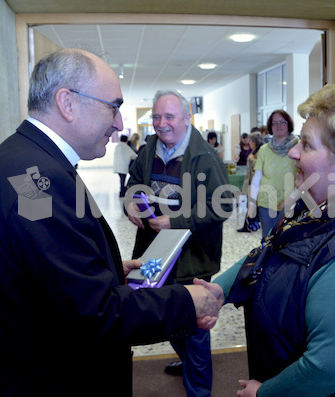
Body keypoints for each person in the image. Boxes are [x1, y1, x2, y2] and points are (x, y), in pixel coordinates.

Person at [0, 49, 224, 397]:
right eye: (113, 106)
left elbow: (46, 268)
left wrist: (107, 269)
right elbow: (96, 315)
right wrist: (187, 302)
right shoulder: (41, 177)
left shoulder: (25, 163)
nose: (120, 123)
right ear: (67, 103)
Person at [215, 84, 335, 396]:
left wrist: (265, 393)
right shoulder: (313, 206)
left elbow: (327, 367)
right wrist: (219, 290)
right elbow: (269, 251)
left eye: (306, 145)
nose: (293, 151)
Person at [125, 90, 232, 397]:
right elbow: (133, 183)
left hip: (190, 258)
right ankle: (187, 360)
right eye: (156, 117)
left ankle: (199, 390)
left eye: (169, 116)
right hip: (154, 254)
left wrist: (175, 222)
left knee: (195, 323)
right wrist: (131, 204)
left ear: (187, 118)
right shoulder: (148, 151)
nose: (161, 124)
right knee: (165, 315)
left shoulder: (206, 158)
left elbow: (220, 207)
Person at [247, 110, 298, 238]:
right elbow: (257, 178)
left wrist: (291, 199)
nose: (278, 126)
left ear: (289, 124)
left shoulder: (298, 147)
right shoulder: (264, 150)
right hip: (266, 202)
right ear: (270, 127)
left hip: (292, 203)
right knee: (268, 240)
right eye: (274, 123)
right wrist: (251, 205)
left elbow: (304, 177)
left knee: (289, 240)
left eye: (282, 122)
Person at [237, 131, 263, 233]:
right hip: (250, 181)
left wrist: (254, 161)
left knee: (252, 205)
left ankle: (249, 225)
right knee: (249, 204)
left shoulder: (260, 152)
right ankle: (247, 225)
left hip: (254, 183)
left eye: (251, 141)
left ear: (254, 142)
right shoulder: (253, 151)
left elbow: (261, 166)